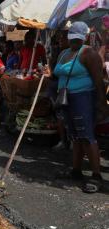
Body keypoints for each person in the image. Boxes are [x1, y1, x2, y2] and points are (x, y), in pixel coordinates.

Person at [53, 22, 106, 193]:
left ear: (83, 37)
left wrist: (101, 105)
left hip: (83, 98)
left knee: (87, 137)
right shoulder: (64, 53)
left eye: (77, 39)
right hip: (67, 99)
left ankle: (96, 175)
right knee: (75, 136)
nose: (73, 41)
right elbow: (55, 72)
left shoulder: (89, 53)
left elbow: (98, 82)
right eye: (71, 38)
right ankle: (76, 171)